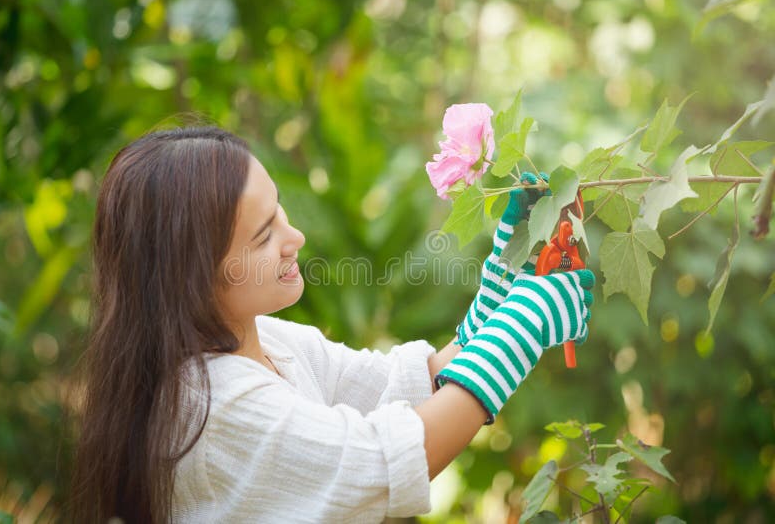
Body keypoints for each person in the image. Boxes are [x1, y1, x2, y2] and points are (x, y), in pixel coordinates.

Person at [69, 126, 594, 523]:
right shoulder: (209, 406)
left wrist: (502, 284)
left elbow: (402, 388)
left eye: (279, 212)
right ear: (191, 276)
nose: (293, 236)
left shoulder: (264, 339)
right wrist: (523, 330)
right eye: (263, 236)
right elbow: (380, 461)